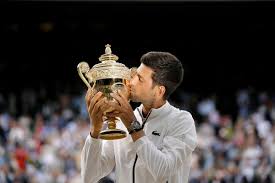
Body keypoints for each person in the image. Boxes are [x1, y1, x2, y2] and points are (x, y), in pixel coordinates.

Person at [81, 51, 198, 183]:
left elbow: (163, 171)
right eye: (134, 75)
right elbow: (89, 177)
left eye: (140, 79)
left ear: (160, 91)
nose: (131, 82)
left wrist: (132, 125)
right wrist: (95, 130)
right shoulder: (120, 120)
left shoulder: (181, 121)